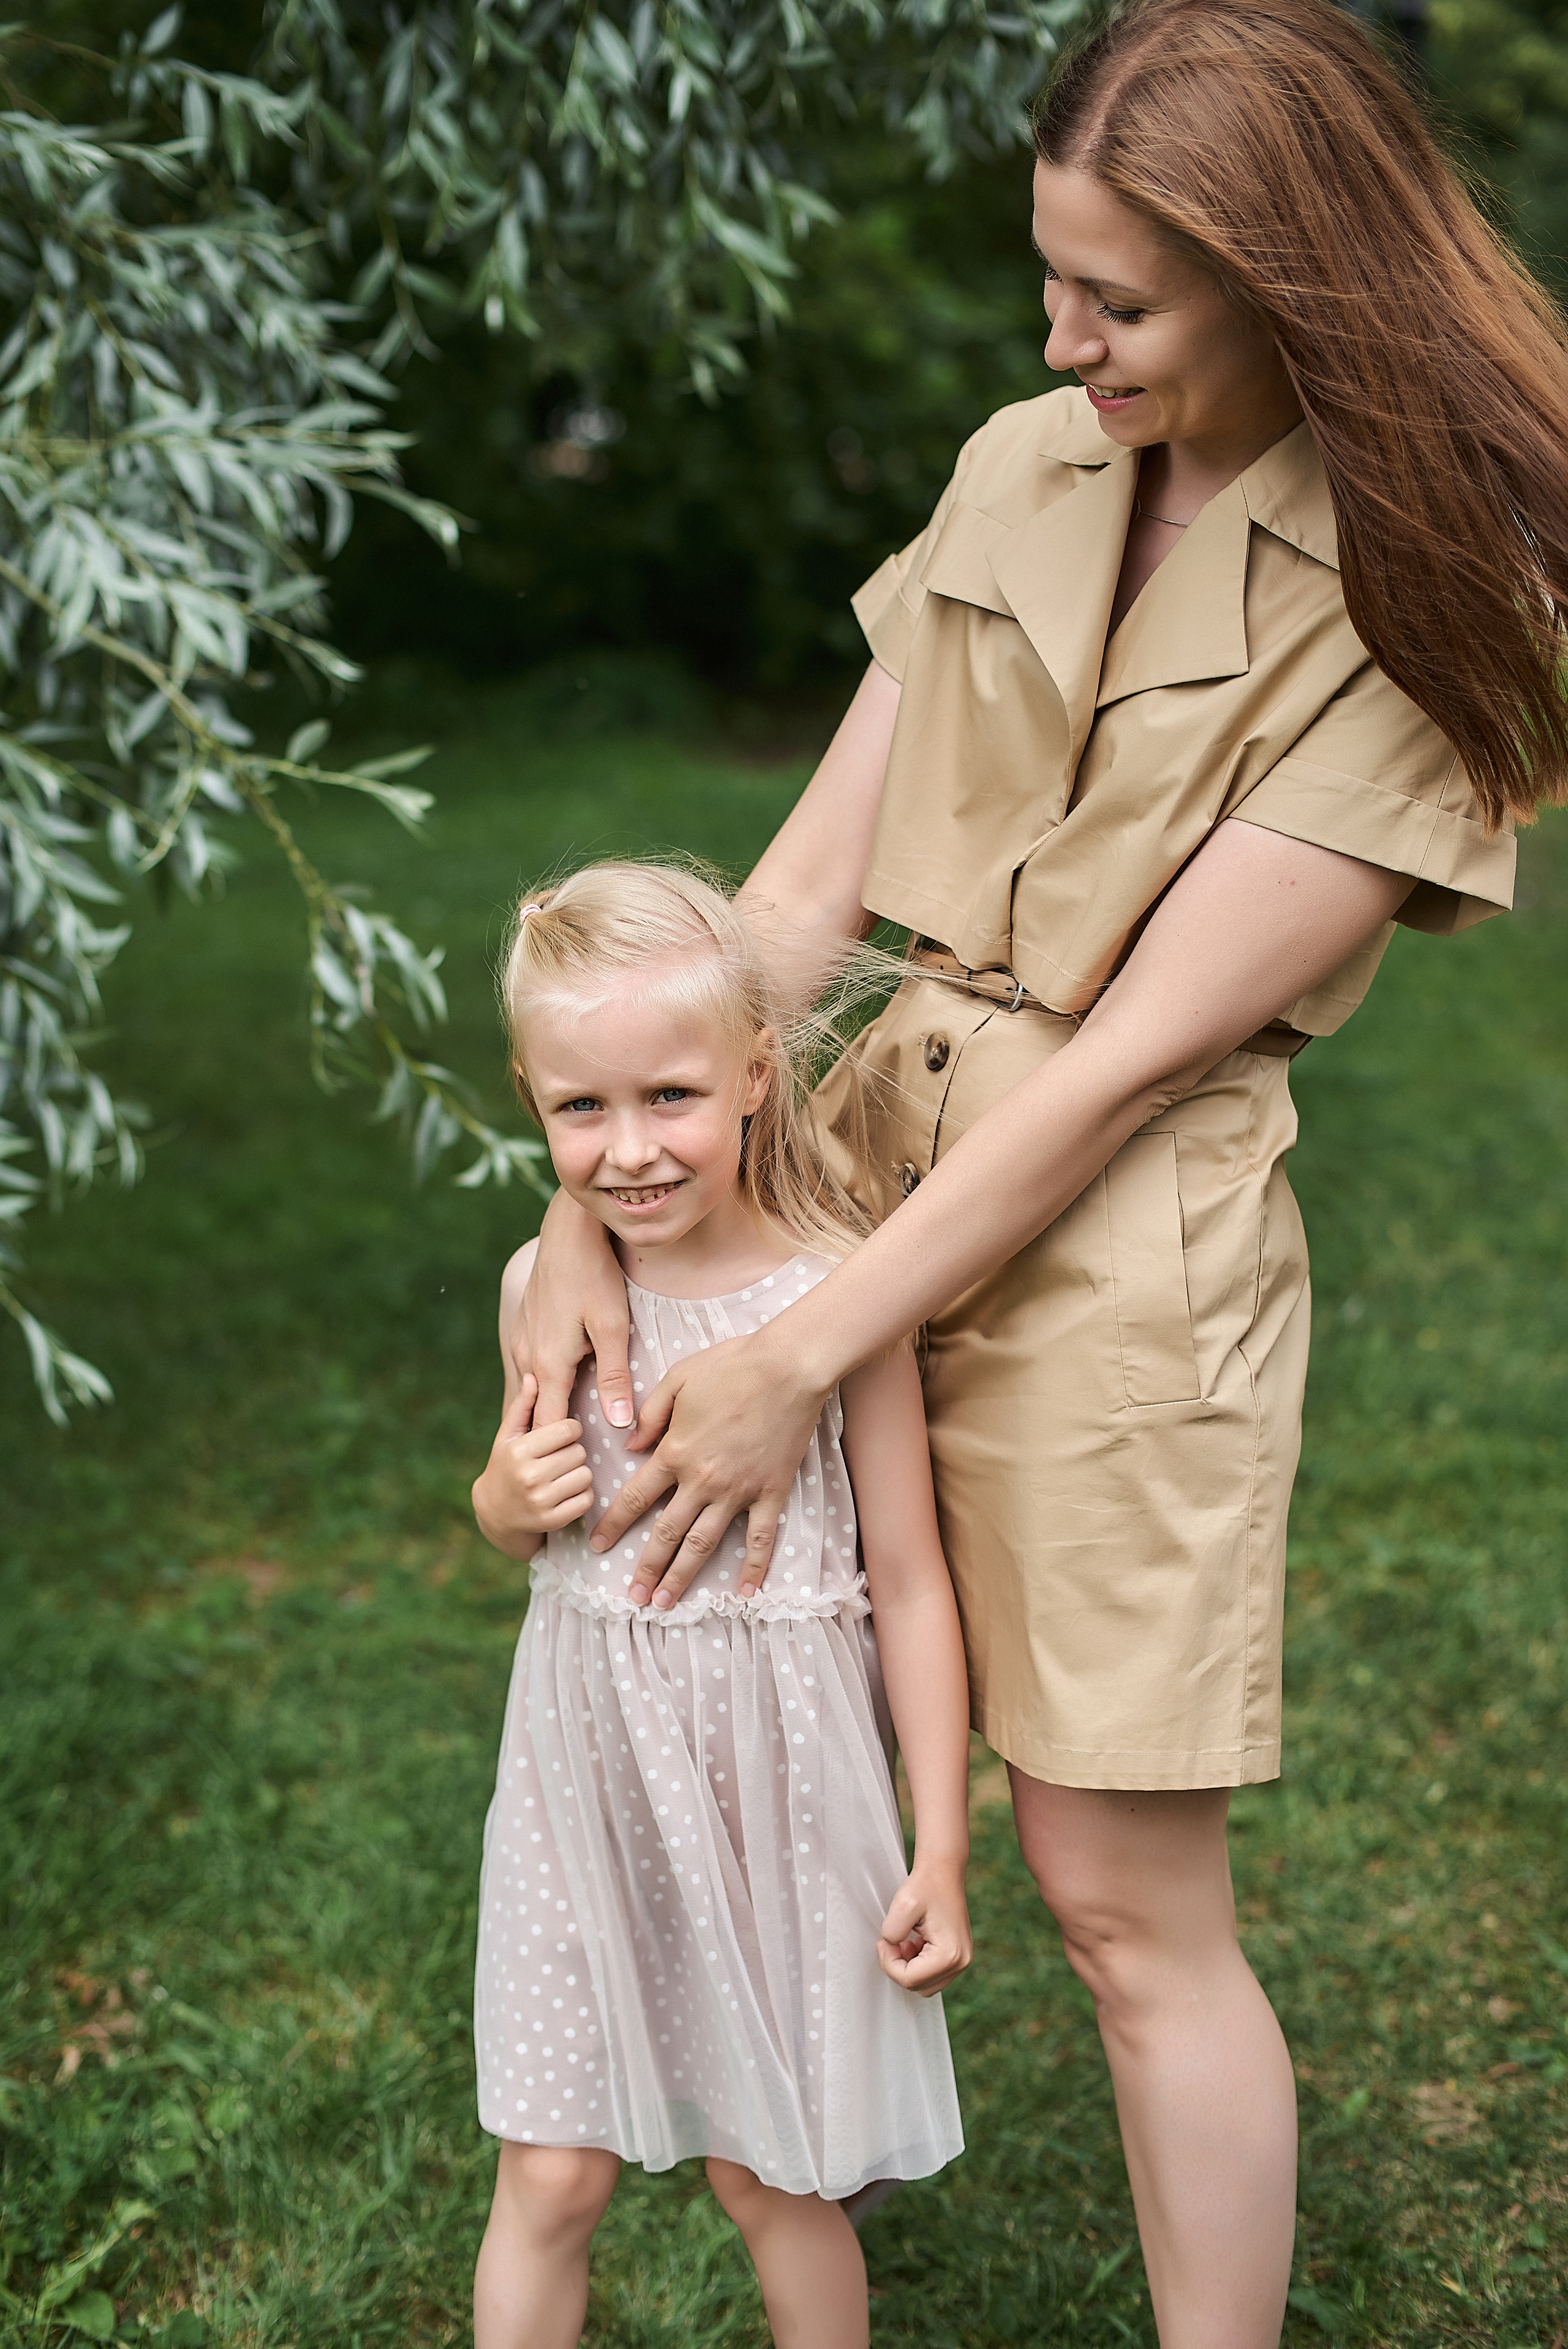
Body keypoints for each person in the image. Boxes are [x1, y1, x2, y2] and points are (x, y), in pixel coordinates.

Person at [497, 3, 1568, 2341]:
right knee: (781, 1750)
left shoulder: (1427, 588)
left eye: (1121, 302)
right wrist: (583, 1216)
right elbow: (801, 898)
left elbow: (1122, 1071)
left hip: (1119, 1254)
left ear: (1292, 284)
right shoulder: (1019, 462)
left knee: (1112, 1892)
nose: (1061, 338)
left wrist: (800, 1354)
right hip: (845, 1153)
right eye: (1049, 278)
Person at [467, 862, 971, 2349]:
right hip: (587, 1790)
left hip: (780, 1798)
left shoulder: (836, 1302)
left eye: (671, 1097)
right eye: (581, 1107)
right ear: (530, 1097)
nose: (628, 1149)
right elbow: (512, 1517)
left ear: (755, 1073)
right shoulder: (542, 1285)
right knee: (549, 2171)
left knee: (776, 2176)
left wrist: (941, 1840)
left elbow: (907, 1577)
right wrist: (505, 1492)